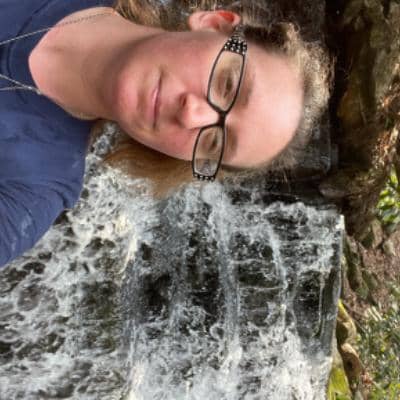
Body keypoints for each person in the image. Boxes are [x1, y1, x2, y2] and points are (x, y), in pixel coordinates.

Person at [0, 0, 330, 268]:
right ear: (215, 24)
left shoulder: (28, 196)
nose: (191, 115)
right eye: (226, 85)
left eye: (214, 142)